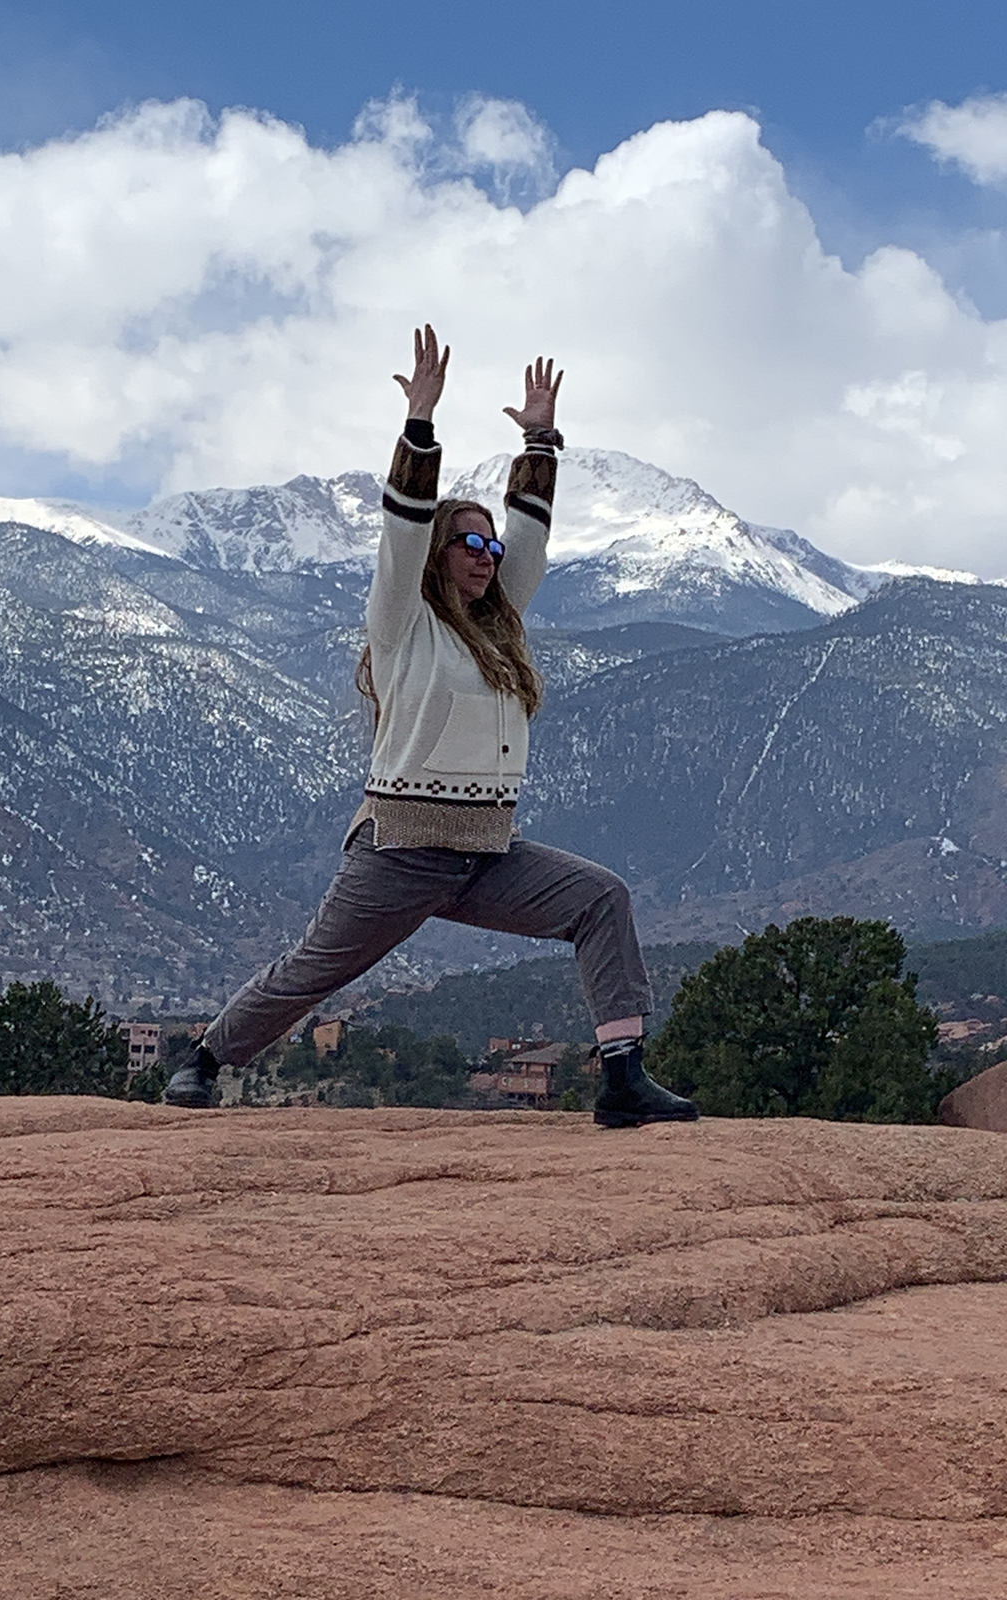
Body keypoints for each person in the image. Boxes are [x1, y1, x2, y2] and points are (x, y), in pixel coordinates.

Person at [166, 326, 699, 1128]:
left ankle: (624, 1075)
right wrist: (420, 423)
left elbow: (532, 539)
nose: (486, 555)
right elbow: (402, 527)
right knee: (314, 969)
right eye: (468, 544)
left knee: (601, 901)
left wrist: (542, 441)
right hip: (402, 851)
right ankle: (206, 1057)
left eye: (489, 544)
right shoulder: (403, 624)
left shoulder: (500, 625)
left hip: (490, 852)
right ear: (437, 556)